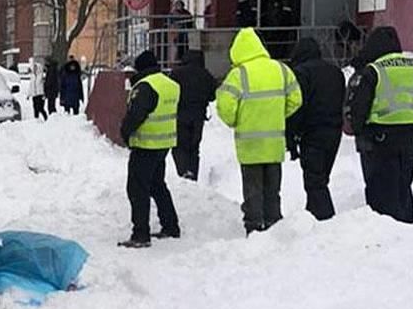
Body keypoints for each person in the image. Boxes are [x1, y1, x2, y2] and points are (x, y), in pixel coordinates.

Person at [346, 26, 413, 224]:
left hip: (380, 138)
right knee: (403, 184)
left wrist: (358, 129)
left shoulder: (374, 70)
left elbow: (359, 109)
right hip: (411, 136)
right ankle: (406, 226)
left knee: (380, 187)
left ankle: (385, 231)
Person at [215, 28, 302, 234]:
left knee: (253, 188)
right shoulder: (281, 69)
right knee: (273, 188)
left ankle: (254, 226)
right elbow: (296, 99)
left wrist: (236, 121)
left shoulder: (238, 74)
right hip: (274, 144)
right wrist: (278, 116)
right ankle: (274, 223)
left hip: (250, 145)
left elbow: (225, 107)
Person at [118, 50, 182, 248]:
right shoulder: (170, 85)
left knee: (137, 189)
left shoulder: (145, 86)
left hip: (145, 145)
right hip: (164, 144)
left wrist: (125, 133)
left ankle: (140, 234)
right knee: (157, 185)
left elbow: (136, 115)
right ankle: (171, 225)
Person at [286, 38, 344, 221]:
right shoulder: (336, 72)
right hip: (334, 132)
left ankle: (325, 220)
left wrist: (291, 137)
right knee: (321, 178)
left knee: (314, 182)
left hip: (312, 134)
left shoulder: (302, 73)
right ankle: (312, 216)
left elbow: (296, 107)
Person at [168, 49, 218, 180]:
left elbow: (170, 92)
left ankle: (183, 172)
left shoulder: (176, 74)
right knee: (194, 148)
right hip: (198, 118)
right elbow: (213, 95)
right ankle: (192, 173)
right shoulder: (206, 75)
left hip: (180, 116)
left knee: (179, 146)